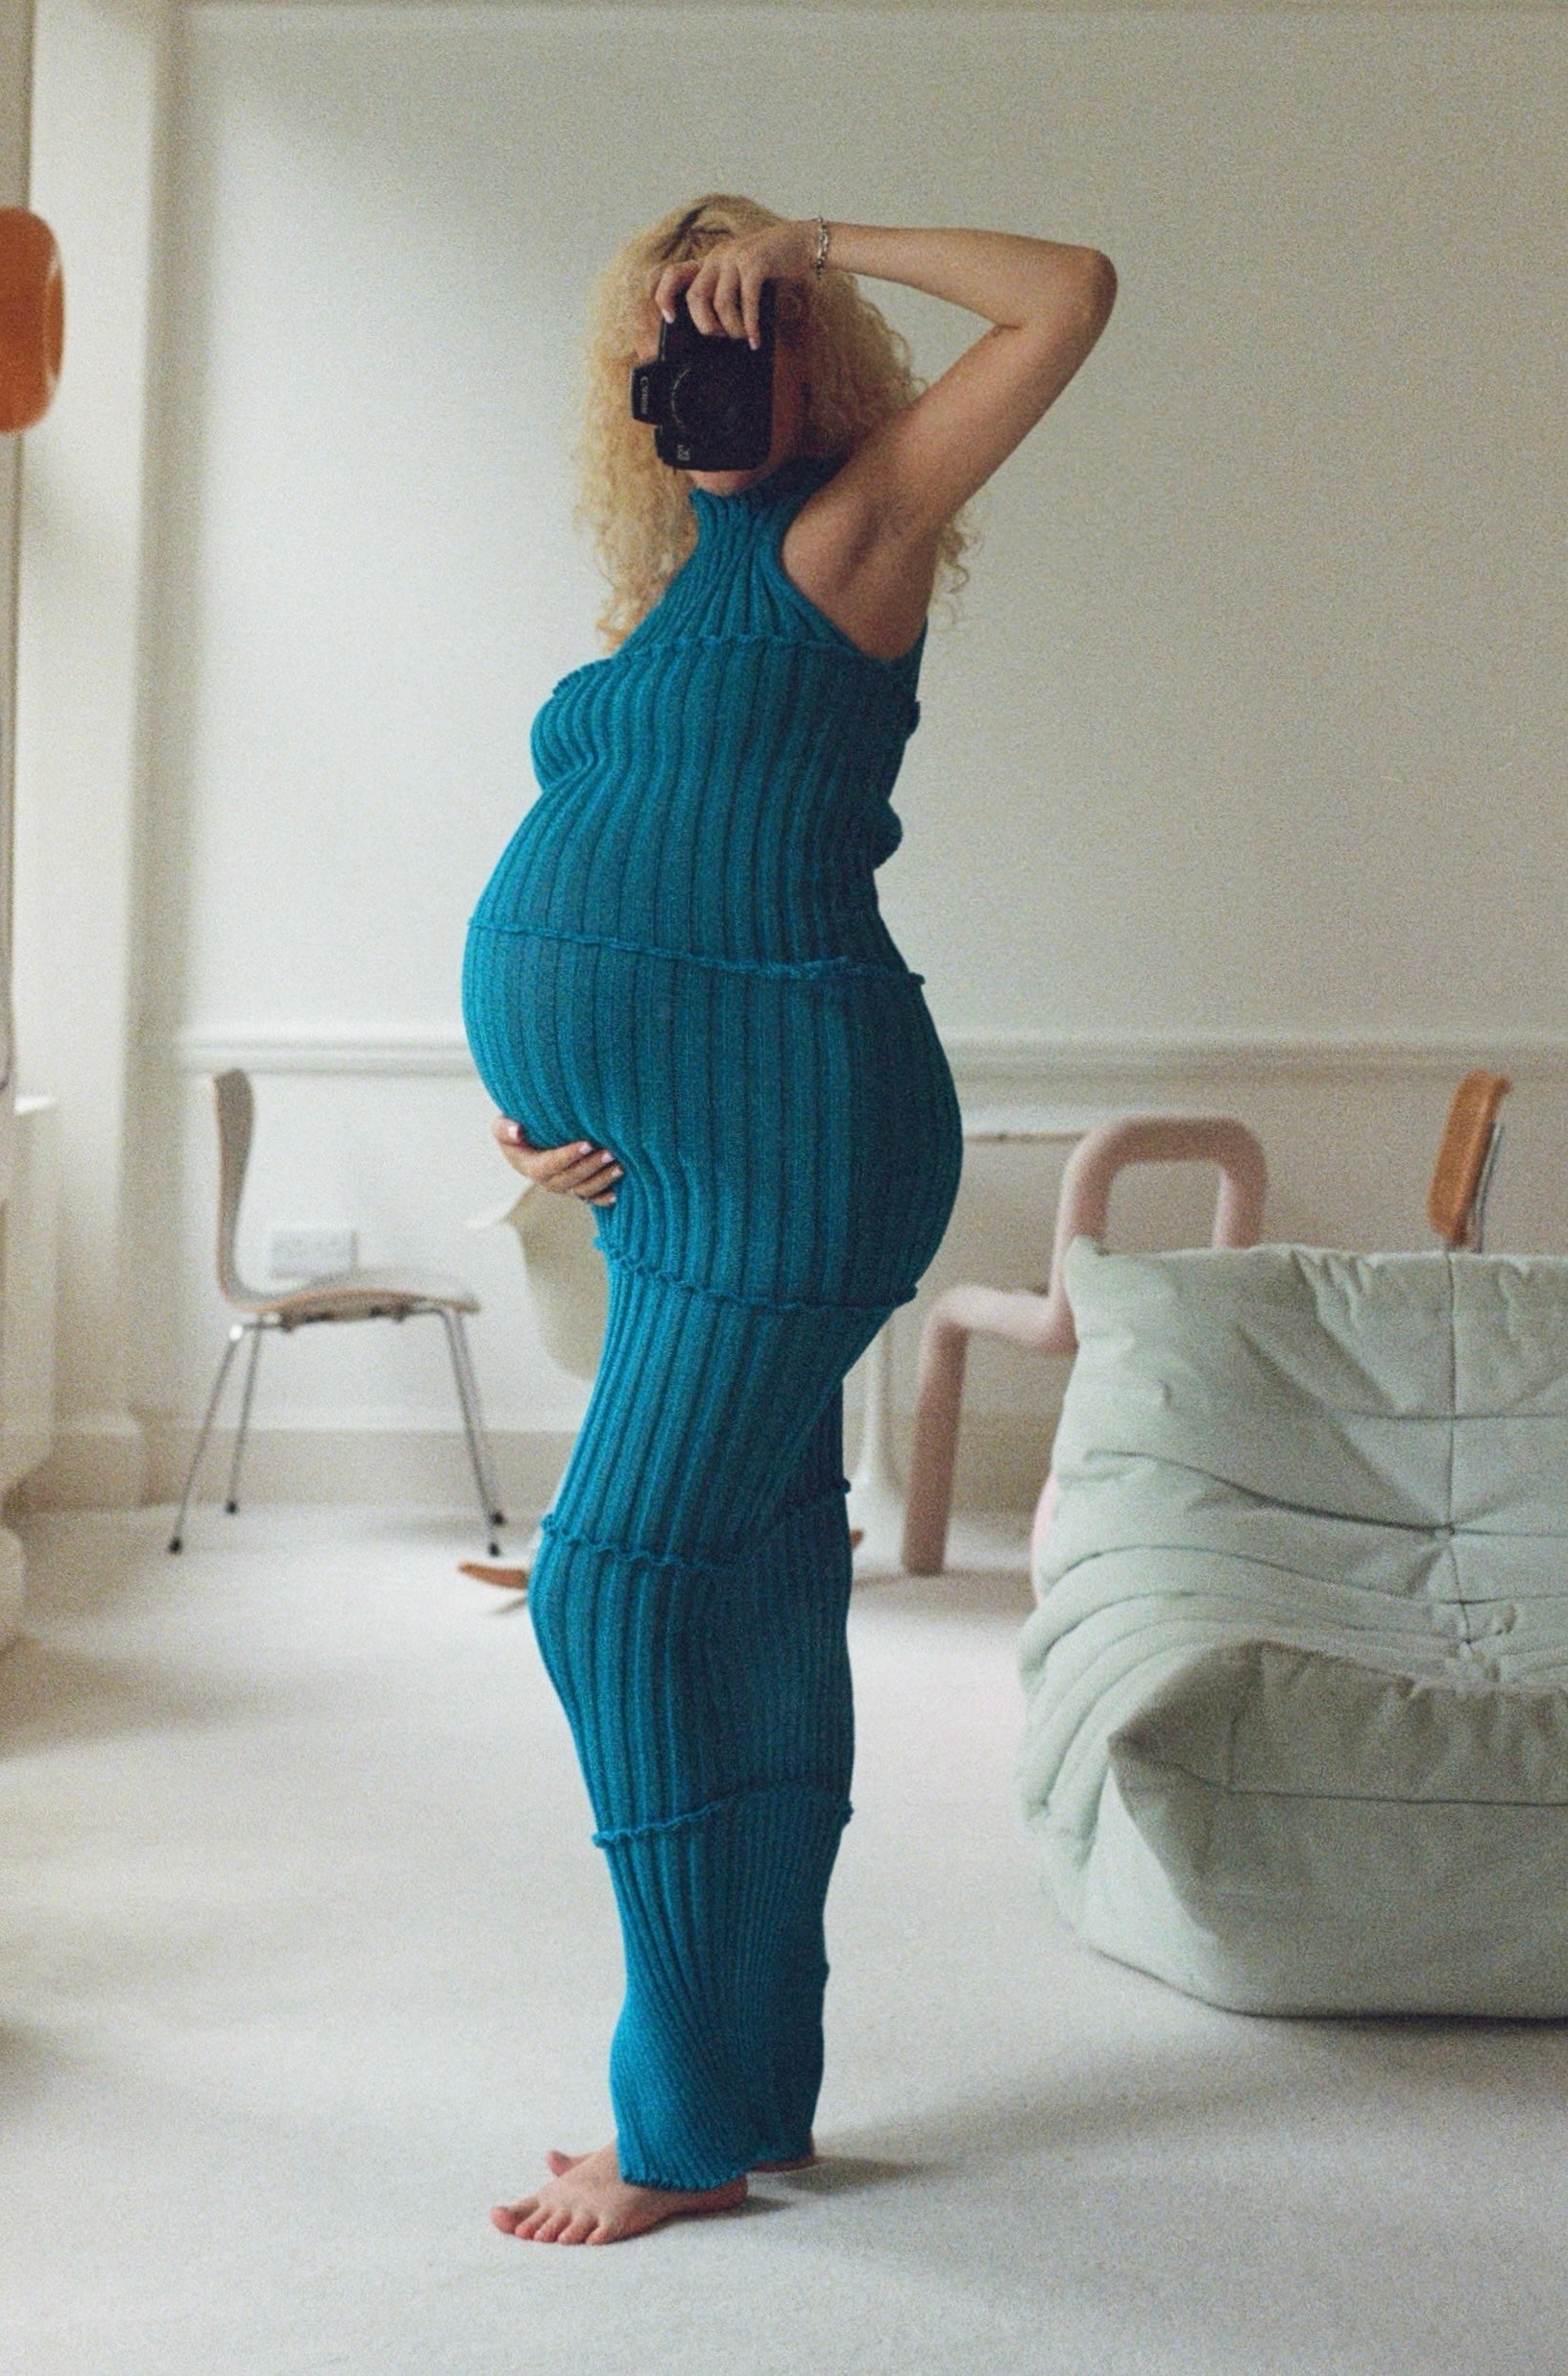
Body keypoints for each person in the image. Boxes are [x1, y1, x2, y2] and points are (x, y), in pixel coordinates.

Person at [461, 196, 1115, 2245]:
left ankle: (672, 2122)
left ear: (819, 358)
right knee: (740, 1583)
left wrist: (811, 242)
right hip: (675, 1150)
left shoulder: (860, 529)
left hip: (797, 1135)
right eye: (678, 346)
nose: (714, 375)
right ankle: (750, 2094)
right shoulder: (677, 599)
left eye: (751, 335)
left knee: (610, 1580)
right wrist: (539, 1094)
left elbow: (1071, 296)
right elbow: (627, 865)